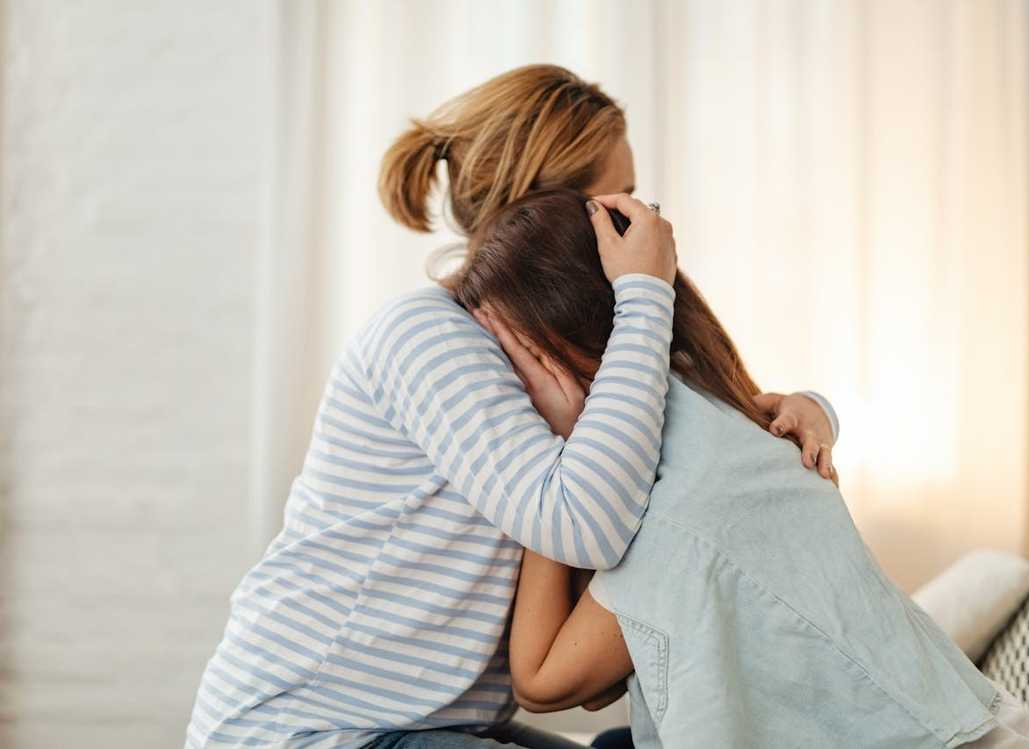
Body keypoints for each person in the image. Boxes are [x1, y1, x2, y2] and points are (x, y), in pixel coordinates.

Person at [185, 65, 840, 748]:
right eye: (620, 203)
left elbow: (696, 434)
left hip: (440, 724)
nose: (643, 226)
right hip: (312, 730)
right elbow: (580, 523)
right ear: (542, 216)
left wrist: (811, 410)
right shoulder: (427, 336)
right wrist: (646, 291)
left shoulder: (558, 348)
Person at [454, 188, 1029, 748]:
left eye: (510, 364)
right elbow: (607, 677)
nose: (503, 395)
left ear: (556, 347)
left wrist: (556, 469)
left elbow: (542, 682)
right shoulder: (702, 401)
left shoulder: (685, 508)